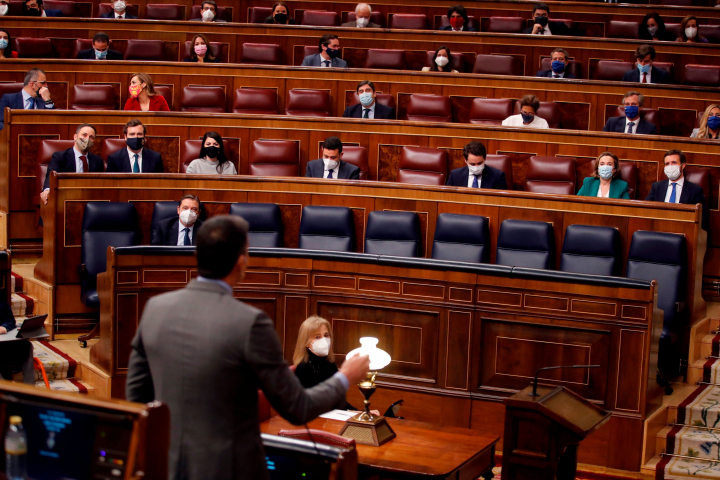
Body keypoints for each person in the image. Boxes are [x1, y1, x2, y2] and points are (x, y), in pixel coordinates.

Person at [126, 214, 370, 480]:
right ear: (242, 261)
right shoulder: (250, 323)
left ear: (197, 255)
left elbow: (136, 397)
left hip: (165, 467)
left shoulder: (155, 309)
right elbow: (297, 407)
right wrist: (346, 377)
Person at [40, 124, 104, 204]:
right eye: (84, 135)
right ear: (75, 137)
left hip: (89, 200)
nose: (87, 139)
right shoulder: (60, 157)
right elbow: (52, 175)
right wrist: (48, 190)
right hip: (66, 198)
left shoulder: (97, 161)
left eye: (91, 137)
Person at [645, 149, 708, 230]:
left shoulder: (695, 190)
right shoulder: (657, 187)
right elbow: (645, 210)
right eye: (667, 164)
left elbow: (703, 219)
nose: (670, 166)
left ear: (683, 165)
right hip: (658, 229)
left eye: (674, 163)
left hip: (683, 230)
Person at [0, 301, 35, 385]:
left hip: (3, 341)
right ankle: (5, 388)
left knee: (27, 346)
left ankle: (29, 388)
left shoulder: (1, 301)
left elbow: (11, 320)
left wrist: (4, 327)